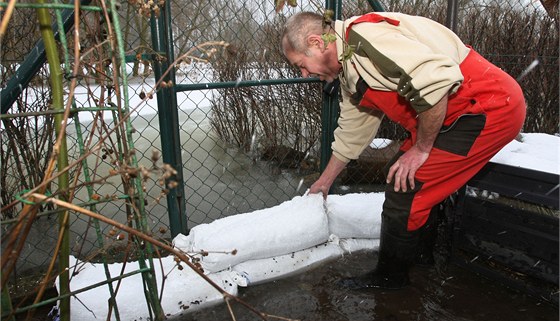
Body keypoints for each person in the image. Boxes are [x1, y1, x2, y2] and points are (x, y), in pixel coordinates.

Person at [281, 11, 526, 289]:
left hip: (483, 107)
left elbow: (435, 80)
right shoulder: (349, 67)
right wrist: (324, 182)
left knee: (406, 187)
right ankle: (420, 259)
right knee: (401, 174)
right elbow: (352, 132)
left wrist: (422, 149)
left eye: (301, 64)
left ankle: (391, 277)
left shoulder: (366, 39)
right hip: (448, 116)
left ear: (316, 42)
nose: (303, 73)